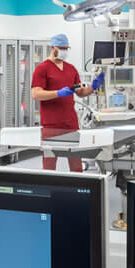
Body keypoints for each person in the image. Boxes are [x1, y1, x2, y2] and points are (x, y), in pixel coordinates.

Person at [30, 33, 101, 172]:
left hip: (70, 123)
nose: (64, 51)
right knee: (49, 164)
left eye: (66, 48)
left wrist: (93, 87)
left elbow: (80, 92)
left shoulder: (71, 68)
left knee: (76, 163)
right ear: (53, 48)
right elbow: (35, 94)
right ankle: (49, 190)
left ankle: (80, 190)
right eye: (61, 48)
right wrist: (58, 93)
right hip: (51, 125)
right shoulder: (42, 68)